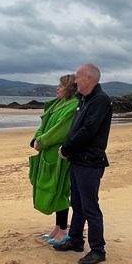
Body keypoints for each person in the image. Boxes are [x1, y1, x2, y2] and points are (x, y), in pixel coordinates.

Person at [53, 63, 112, 264]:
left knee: (90, 207)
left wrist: (66, 148)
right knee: (77, 204)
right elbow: (75, 129)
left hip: (90, 162)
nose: (75, 80)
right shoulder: (84, 99)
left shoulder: (100, 100)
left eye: (78, 77)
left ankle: (98, 249)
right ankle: (76, 240)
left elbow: (88, 131)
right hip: (78, 160)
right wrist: (68, 148)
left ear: (89, 79)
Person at [29, 74, 78, 245]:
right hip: (47, 154)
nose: (57, 88)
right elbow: (43, 126)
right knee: (51, 189)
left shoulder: (73, 106)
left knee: (60, 191)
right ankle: (57, 227)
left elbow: (60, 131)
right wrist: (36, 139)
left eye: (60, 85)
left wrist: (41, 141)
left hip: (59, 156)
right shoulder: (58, 104)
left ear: (69, 87)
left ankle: (63, 230)